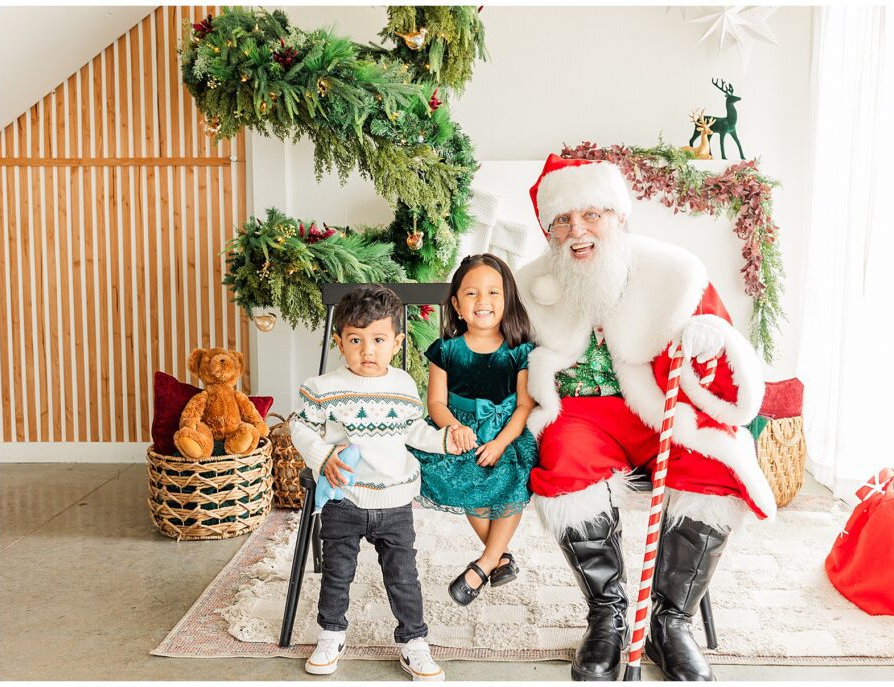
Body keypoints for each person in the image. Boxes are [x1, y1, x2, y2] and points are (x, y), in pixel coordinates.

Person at [515, 154, 776, 681]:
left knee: (715, 466)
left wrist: (711, 339)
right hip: (582, 415)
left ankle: (669, 620)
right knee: (562, 459)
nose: (577, 231)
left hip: (662, 410)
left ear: (619, 216)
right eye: (562, 220)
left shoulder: (675, 272)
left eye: (591, 215)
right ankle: (608, 615)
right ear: (548, 231)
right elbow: (491, 355)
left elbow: (729, 358)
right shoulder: (528, 285)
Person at [289, 284, 461, 681]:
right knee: (337, 573)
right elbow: (301, 428)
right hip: (344, 499)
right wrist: (323, 456)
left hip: (395, 499)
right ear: (339, 342)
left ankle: (413, 641)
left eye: (379, 340)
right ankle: (331, 633)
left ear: (397, 341)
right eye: (356, 340)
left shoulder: (402, 384)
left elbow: (414, 430)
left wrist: (444, 440)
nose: (368, 351)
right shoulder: (323, 389)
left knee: (402, 575)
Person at [410, 254, 538, 606]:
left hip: (506, 432)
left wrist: (500, 442)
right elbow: (435, 404)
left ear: (507, 299)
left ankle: (483, 564)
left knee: (513, 474)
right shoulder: (446, 350)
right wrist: (453, 427)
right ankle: (501, 557)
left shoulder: (519, 351)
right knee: (463, 476)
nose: (483, 301)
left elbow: (525, 405)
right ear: (456, 304)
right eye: (471, 294)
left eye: (493, 292)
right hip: (461, 431)